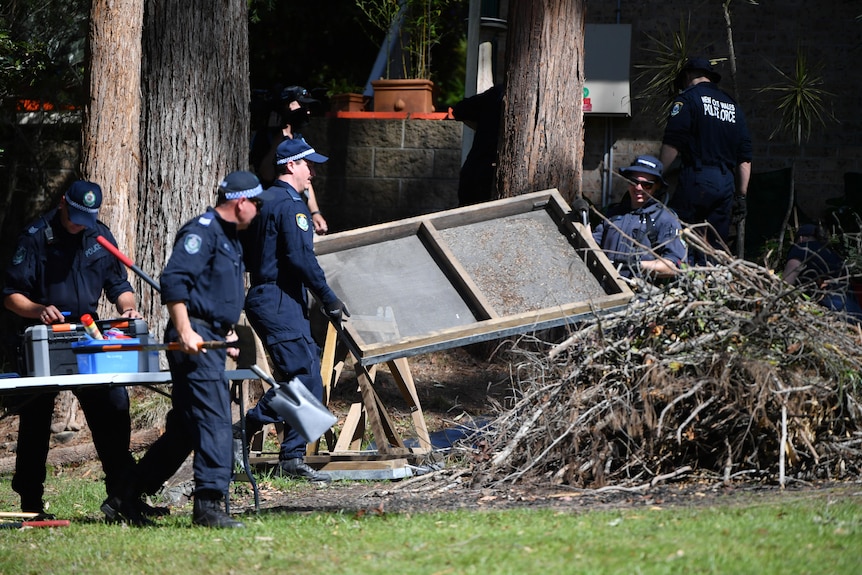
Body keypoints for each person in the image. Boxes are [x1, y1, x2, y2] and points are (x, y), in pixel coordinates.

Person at [102, 171, 263, 528]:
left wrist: (228, 334)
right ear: (241, 202)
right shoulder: (201, 232)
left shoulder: (229, 237)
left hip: (211, 336)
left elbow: (213, 293)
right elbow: (173, 281)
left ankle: (125, 494)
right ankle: (208, 506)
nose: (259, 209)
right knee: (217, 421)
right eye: (257, 202)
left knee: (188, 428)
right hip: (192, 340)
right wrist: (188, 329)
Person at [2, 180, 149, 520]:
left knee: (113, 405)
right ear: (63, 203)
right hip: (41, 335)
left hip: (87, 334)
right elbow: (11, 295)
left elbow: (119, 285)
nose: (80, 224)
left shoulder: (99, 236)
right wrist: (38, 309)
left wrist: (128, 308)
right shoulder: (36, 235)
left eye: (88, 218)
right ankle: (31, 503)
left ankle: (122, 496)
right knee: (36, 420)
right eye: (76, 216)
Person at [237, 137, 349, 483]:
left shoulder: (263, 200)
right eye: (307, 165)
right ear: (291, 166)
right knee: (305, 377)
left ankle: (291, 454)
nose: (312, 173)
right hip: (280, 297)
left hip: (266, 294)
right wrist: (328, 298)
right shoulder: (291, 205)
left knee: (301, 374)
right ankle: (249, 429)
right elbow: (301, 258)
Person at [660, 57, 752, 253]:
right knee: (715, 247)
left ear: (687, 76)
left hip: (697, 179)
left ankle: (682, 279)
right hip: (726, 184)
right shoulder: (733, 107)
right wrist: (741, 196)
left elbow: (673, 143)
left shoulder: (688, 99)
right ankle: (711, 281)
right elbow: (744, 157)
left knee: (681, 238)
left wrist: (657, 176)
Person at [590, 155, 687, 280]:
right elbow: (591, 246)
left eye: (647, 185)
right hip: (602, 288)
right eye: (633, 182)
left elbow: (674, 266)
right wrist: (582, 217)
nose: (638, 188)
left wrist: (636, 265)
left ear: (657, 186)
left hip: (638, 295)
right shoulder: (612, 213)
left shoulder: (666, 220)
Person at [251, 85, 329, 235]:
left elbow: (306, 178)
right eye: (303, 105)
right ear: (287, 105)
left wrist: (315, 212)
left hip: (293, 205)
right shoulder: (264, 136)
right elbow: (266, 174)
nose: (307, 111)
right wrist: (277, 141)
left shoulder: (298, 136)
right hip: (270, 206)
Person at [783, 223, 862, 322]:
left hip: (831, 313)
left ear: (801, 238)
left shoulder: (801, 248)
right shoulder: (832, 253)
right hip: (854, 313)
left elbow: (786, 282)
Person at [450, 84, 503, 206]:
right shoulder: (497, 94)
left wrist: (482, 127)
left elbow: (459, 110)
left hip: (474, 170)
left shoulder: (495, 94)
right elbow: (459, 110)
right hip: (486, 175)